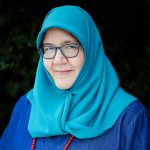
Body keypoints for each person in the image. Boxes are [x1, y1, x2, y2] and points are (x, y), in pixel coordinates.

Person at [0, 5, 150, 150]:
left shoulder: (129, 118)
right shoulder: (26, 107)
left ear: (91, 51)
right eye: (49, 48)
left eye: (70, 46)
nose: (58, 60)